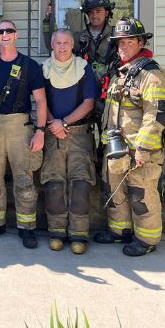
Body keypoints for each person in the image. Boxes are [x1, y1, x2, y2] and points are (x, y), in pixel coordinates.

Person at [94, 17, 165, 257]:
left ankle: (147, 239)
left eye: (129, 41)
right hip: (117, 148)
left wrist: (143, 150)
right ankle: (120, 232)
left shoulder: (152, 75)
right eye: (119, 42)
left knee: (141, 194)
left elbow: (156, 114)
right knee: (115, 190)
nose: (123, 46)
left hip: (140, 151)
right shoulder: (122, 73)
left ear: (140, 42)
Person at [0, 20, 47, 249]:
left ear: (16, 35)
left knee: (24, 180)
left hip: (21, 127)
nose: (5, 34)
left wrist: (40, 131)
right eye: (1, 32)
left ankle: (26, 228)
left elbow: (40, 100)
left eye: (9, 31)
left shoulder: (30, 66)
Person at [41, 28, 100, 254]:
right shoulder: (44, 70)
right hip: (52, 133)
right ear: (52, 45)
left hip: (78, 135)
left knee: (80, 184)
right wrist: (54, 124)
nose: (62, 47)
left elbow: (88, 103)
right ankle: (56, 232)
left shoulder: (83, 70)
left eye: (66, 43)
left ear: (72, 44)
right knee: (54, 183)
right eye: (58, 43)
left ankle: (79, 234)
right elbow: (40, 100)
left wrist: (63, 122)